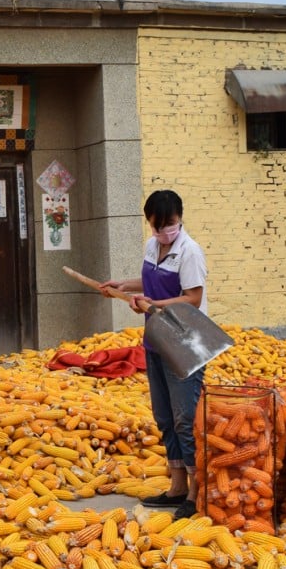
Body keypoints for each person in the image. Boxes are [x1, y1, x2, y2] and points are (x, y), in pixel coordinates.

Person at [99, 189, 208, 520]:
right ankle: (176, 486)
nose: (164, 232)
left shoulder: (190, 252)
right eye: (158, 226)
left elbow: (191, 297)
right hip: (157, 338)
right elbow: (151, 281)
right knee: (164, 416)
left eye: (170, 224)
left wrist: (153, 304)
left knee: (185, 416)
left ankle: (195, 491)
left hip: (186, 341)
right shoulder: (151, 246)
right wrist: (126, 286)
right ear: (149, 223)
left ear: (179, 219)